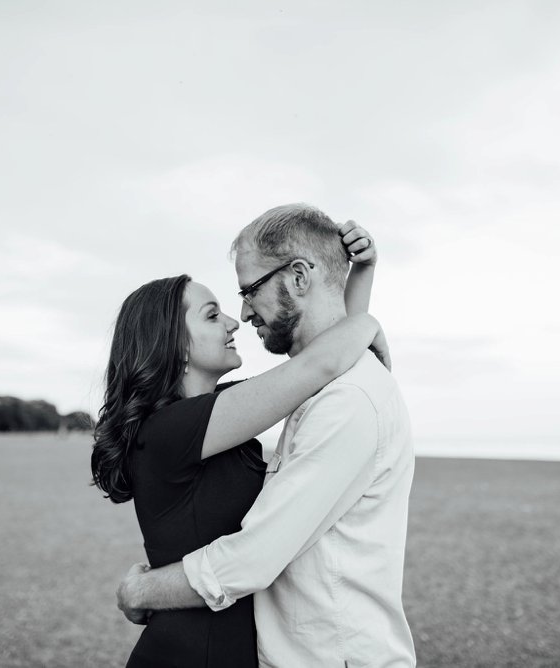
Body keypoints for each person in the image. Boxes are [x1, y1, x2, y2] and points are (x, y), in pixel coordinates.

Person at [118, 204, 416, 668]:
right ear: (173, 344)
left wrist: (144, 588)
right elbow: (320, 362)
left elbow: (320, 363)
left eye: (248, 291)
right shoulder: (177, 429)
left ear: (298, 277)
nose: (239, 316)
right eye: (214, 314)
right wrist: (365, 321)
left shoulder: (330, 399)